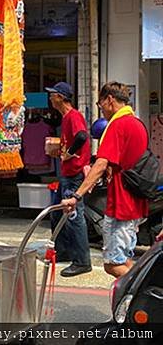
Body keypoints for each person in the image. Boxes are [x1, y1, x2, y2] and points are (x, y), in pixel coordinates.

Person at [62, 82, 149, 278]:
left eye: (100, 103)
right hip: (134, 203)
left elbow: (100, 164)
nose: (100, 108)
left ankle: (145, 302)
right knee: (125, 259)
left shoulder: (117, 124)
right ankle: (130, 306)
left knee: (113, 264)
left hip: (122, 204)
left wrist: (77, 195)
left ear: (109, 99)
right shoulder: (137, 123)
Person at [45, 81, 92, 277]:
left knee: (73, 217)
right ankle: (63, 250)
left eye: (53, 94)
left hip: (74, 175)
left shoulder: (73, 116)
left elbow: (81, 136)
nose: (50, 97)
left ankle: (82, 261)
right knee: (57, 214)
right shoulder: (65, 118)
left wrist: (70, 153)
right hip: (67, 173)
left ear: (62, 97)